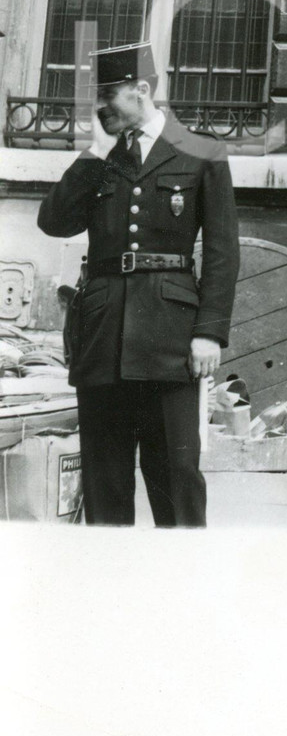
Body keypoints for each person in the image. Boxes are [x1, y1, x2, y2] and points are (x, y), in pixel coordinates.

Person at [37, 42, 240, 526]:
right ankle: (112, 572)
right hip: (103, 333)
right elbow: (54, 222)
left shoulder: (202, 152)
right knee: (105, 477)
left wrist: (209, 332)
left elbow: (222, 251)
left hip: (170, 335)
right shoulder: (103, 156)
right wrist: (95, 152)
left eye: (108, 94)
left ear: (141, 90)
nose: (99, 106)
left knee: (175, 475)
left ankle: (181, 571)